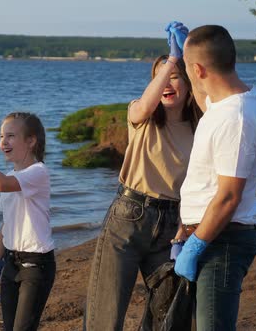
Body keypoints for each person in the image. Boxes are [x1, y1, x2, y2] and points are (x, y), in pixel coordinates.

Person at [83, 24, 202, 330]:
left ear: (188, 84)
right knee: (105, 316)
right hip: (129, 217)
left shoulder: (198, 127)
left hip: (172, 226)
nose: (168, 82)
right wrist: (172, 61)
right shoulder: (141, 115)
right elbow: (146, 103)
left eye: (176, 77)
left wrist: (189, 55)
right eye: (162, 76)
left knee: (169, 315)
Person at [172, 24, 256, 330]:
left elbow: (229, 196)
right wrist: (185, 57)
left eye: (189, 68)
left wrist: (195, 245)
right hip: (210, 235)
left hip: (221, 241)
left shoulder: (235, 120)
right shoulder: (227, 105)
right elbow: (206, 101)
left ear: (199, 69)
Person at [0, 112, 55, 331]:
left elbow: (1, 184)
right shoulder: (10, 175)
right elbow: (6, 225)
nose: (3, 142)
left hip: (36, 265)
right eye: (1, 136)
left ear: (31, 140)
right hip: (10, 263)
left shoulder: (38, 172)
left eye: (10, 136)